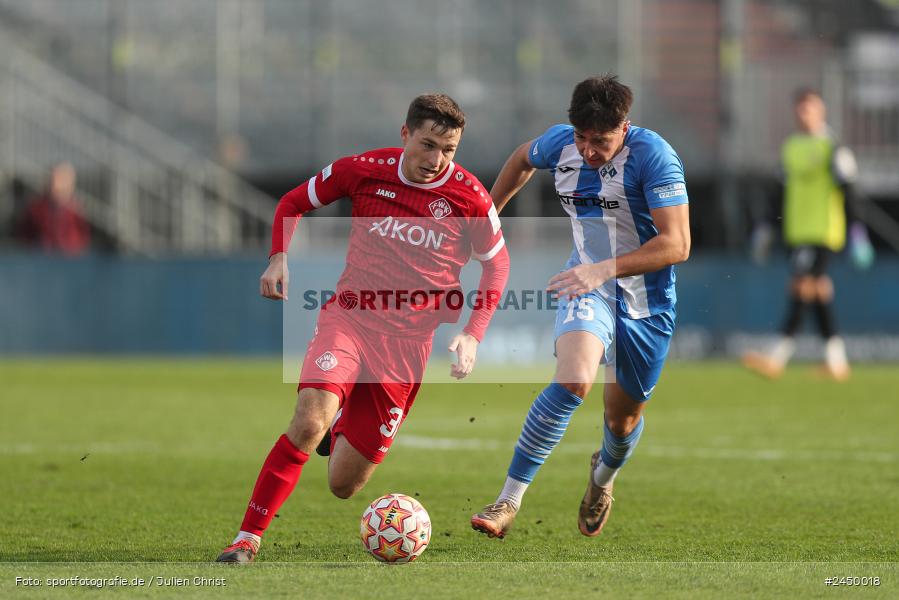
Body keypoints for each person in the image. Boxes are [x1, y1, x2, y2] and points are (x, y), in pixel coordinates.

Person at [216, 93, 510, 563]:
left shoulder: (469, 197)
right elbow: (293, 202)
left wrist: (473, 332)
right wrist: (278, 256)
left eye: (449, 150)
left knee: (342, 484)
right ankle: (247, 539)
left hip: (407, 348)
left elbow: (497, 266)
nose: (437, 160)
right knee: (310, 420)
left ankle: (342, 424)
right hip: (349, 319)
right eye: (428, 144)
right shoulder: (364, 169)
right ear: (405, 134)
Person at [470, 74, 690, 539]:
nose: (589, 150)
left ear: (625, 127)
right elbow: (521, 159)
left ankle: (602, 480)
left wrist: (606, 268)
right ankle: (508, 500)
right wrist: (488, 216)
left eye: (601, 141)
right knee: (573, 380)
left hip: (646, 304)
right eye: (582, 138)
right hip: (584, 283)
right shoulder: (560, 143)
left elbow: (678, 244)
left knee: (622, 419)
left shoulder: (653, 155)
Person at [742, 88, 870, 382]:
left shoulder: (834, 148)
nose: (804, 115)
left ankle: (776, 357)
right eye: (800, 109)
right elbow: (779, 193)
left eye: (810, 109)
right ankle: (836, 361)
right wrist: (766, 227)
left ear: (821, 111)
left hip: (823, 231)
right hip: (797, 231)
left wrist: (857, 231)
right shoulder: (791, 147)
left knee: (799, 286)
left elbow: (850, 192)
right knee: (818, 289)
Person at [17, 162, 91, 255]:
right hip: (43, 257)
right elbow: (25, 235)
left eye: (61, 180)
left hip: (69, 257)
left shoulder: (77, 209)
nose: (56, 185)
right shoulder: (36, 208)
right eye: (53, 180)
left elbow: (83, 237)